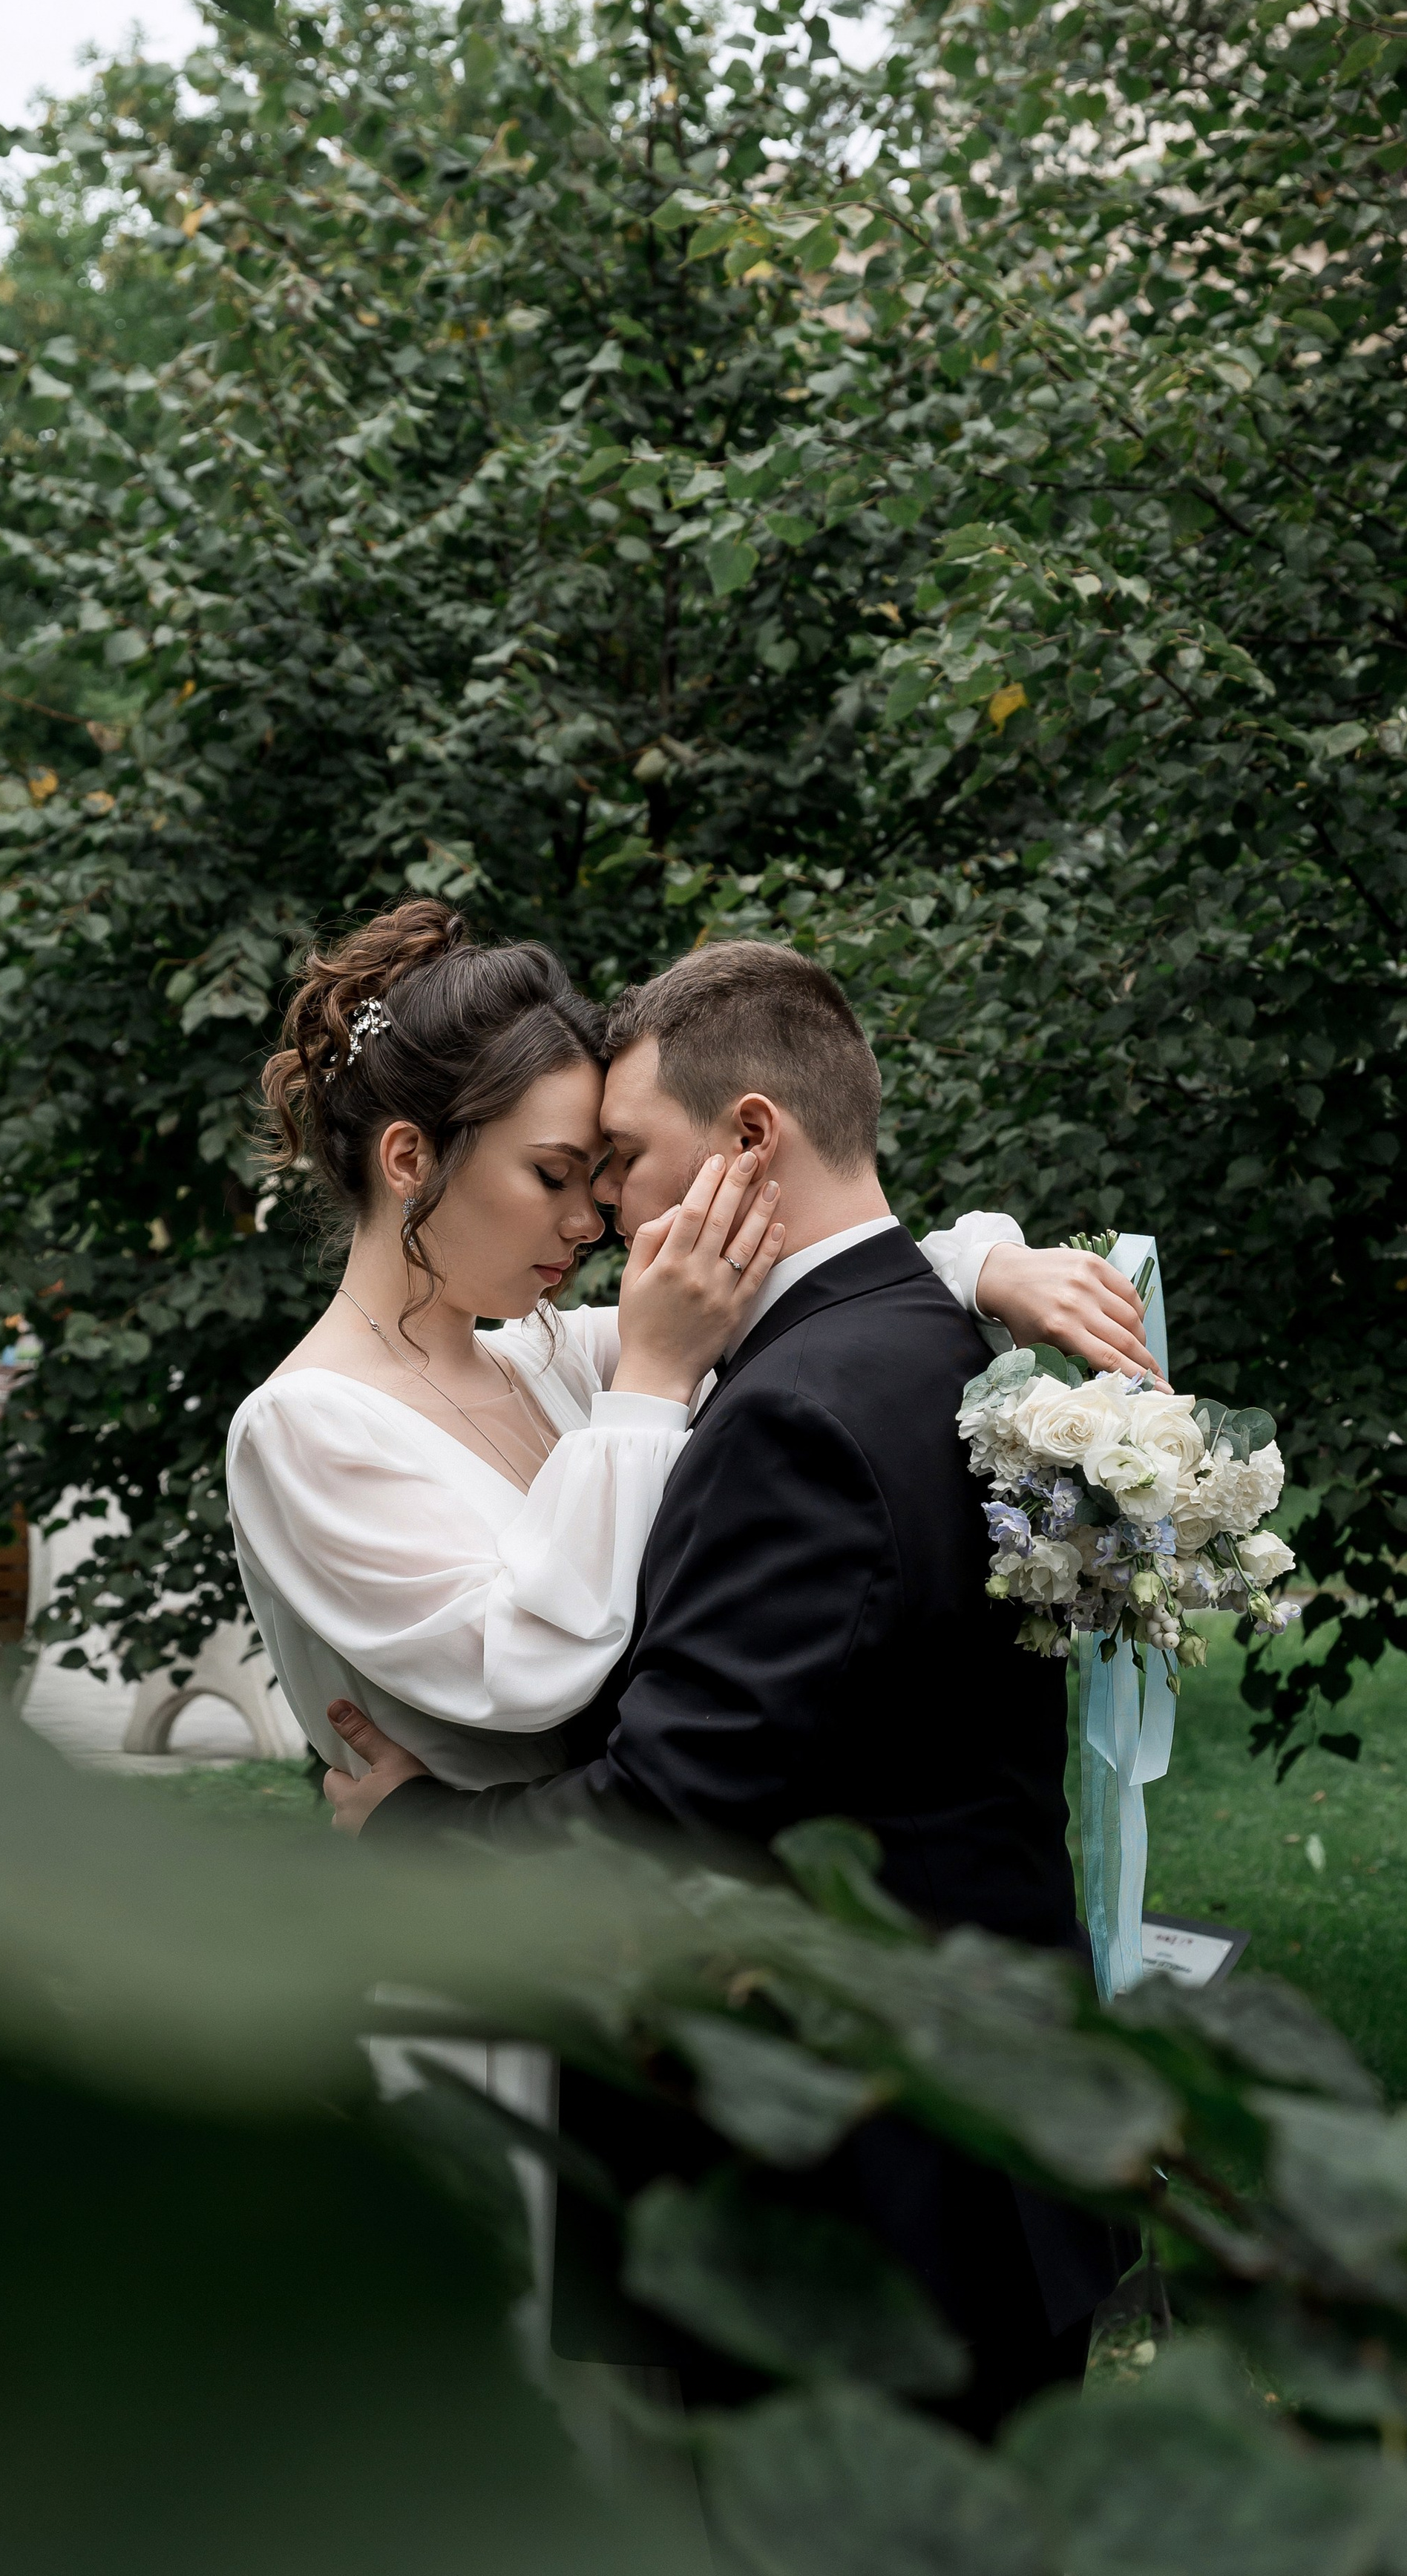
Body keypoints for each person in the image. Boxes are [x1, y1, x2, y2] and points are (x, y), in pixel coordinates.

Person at [228, 905, 1151, 2439]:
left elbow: (806, 1289)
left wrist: (979, 1256)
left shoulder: (533, 1353)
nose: (594, 1219)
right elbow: (535, 1663)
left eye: (605, 1168)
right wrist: (654, 1375)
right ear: (407, 1163)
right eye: (554, 1173)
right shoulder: (311, 1427)